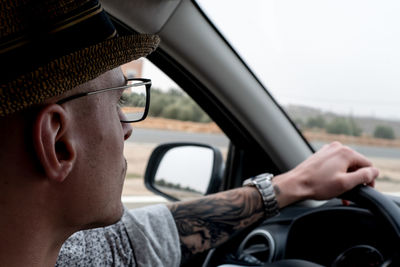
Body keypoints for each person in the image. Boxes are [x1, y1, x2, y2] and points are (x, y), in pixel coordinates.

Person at [0, 0, 378, 266]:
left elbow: (142, 238)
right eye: (118, 102)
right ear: (59, 142)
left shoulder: (67, 254)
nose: (128, 128)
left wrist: (294, 184)